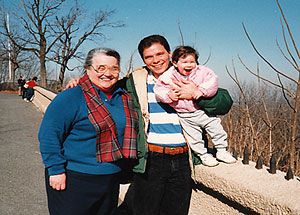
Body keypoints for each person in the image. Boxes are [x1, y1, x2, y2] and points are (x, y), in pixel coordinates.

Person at [66, 35, 233, 215]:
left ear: (170, 54)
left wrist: (195, 93)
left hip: (184, 159)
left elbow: (224, 102)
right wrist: (82, 83)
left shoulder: (189, 73)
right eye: (149, 57)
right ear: (144, 60)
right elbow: (106, 84)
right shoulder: (136, 81)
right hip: (151, 158)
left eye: (160, 54)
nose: (156, 60)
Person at [39, 47, 139, 215]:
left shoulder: (124, 97)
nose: (108, 73)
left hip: (111, 178)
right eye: (101, 68)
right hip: (74, 177)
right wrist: (55, 170)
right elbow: (49, 135)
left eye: (114, 68)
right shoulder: (71, 96)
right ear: (88, 69)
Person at [154, 46, 236, 167]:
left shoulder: (202, 72)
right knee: (194, 138)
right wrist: (168, 95)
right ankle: (203, 155)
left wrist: (201, 91)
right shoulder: (168, 76)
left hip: (201, 111)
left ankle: (222, 151)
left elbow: (212, 82)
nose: (189, 65)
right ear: (175, 63)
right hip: (185, 116)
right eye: (184, 62)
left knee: (216, 129)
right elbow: (159, 90)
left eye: (192, 61)